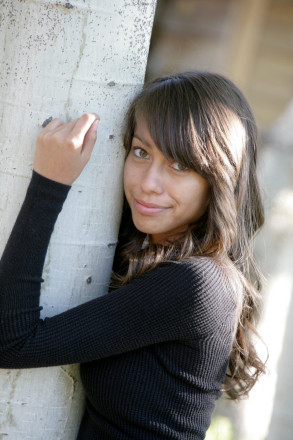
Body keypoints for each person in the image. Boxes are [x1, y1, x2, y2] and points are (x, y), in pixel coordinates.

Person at [0, 71, 266, 439]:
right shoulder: (153, 257)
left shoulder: (198, 284)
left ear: (219, 179)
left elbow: (10, 341)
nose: (147, 183)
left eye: (179, 165)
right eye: (141, 152)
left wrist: (49, 183)